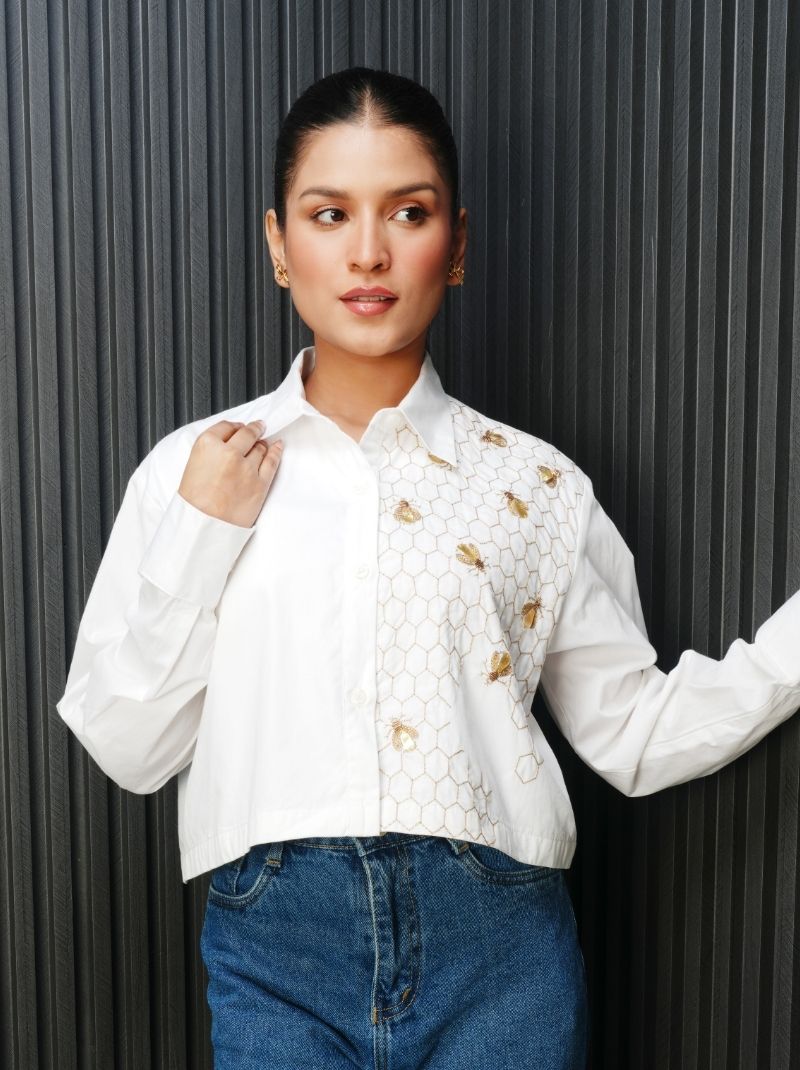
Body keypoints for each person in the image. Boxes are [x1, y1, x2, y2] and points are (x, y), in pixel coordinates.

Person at [56, 67, 800, 1069]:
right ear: (278, 242)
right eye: (328, 214)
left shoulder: (536, 484)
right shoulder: (191, 473)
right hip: (276, 952)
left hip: (498, 950)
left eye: (408, 211)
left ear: (457, 244)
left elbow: (632, 734)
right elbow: (128, 745)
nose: (368, 251)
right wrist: (202, 531)